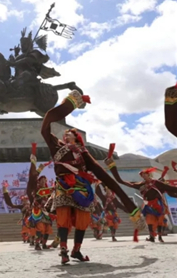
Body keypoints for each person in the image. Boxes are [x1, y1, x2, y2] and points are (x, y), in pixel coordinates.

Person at [40, 89, 146, 264]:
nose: (67, 135)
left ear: (77, 138)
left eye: (71, 134)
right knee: (63, 217)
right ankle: (64, 249)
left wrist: (129, 205)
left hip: (82, 188)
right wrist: (69, 104)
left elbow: (102, 175)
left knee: (83, 219)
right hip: (63, 186)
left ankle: (76, 250)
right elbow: (46, 123)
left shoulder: (83, 153)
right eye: (65, 134)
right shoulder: (55, 146)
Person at [104, 149, 177, 243]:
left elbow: (171, 189)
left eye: (145, 175)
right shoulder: (140, 185)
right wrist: (112, 167)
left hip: (158, 204)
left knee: (160, 220)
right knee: (149, 220)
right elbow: (121, 181)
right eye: (142, 176)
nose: (143, 177)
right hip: (148, 204)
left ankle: (160, 237)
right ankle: (152, 237)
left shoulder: (157, 183)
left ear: (149, 175)